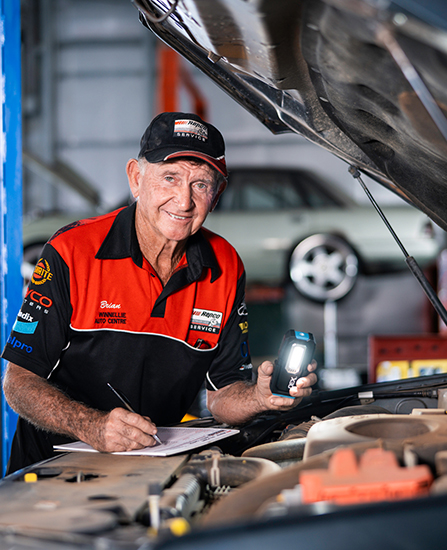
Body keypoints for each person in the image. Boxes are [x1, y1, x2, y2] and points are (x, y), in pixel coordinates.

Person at [1, 112, 317, 474]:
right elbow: (19, 382)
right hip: (50, 471)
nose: (184, 201)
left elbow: (222, 395)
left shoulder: (226, 267)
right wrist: (91, 426)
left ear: (216, 195)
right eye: (170, 178)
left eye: (201, 184)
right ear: (136, 178)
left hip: (151, 473)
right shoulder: (71, 252)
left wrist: (260, 397)